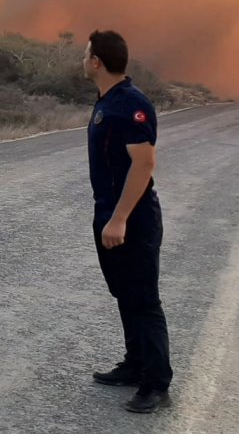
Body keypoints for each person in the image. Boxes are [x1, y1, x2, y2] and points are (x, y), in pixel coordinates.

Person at [82, 30, 173, 413]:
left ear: (97, 61)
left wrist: (119, 219)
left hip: (132, 219)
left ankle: (156, 384)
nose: (83, 59)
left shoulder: (131, 104)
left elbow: (145, 163)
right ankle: (135, 365)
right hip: (108, 213)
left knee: (143, 300)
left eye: (86, 53)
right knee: (125, 294)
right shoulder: (108, 100)